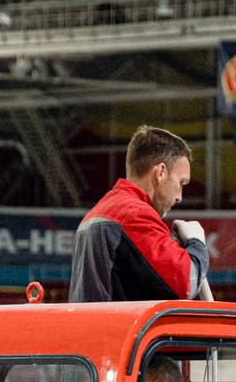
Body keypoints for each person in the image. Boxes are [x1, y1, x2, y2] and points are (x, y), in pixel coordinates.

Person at [69, 125, 209, 303]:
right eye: (181, 183)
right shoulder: (134, 216)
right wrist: (197, 243)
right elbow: (186, 283)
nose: (179, 197)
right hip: (120, 330)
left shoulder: (99, 212)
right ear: (160, 173)